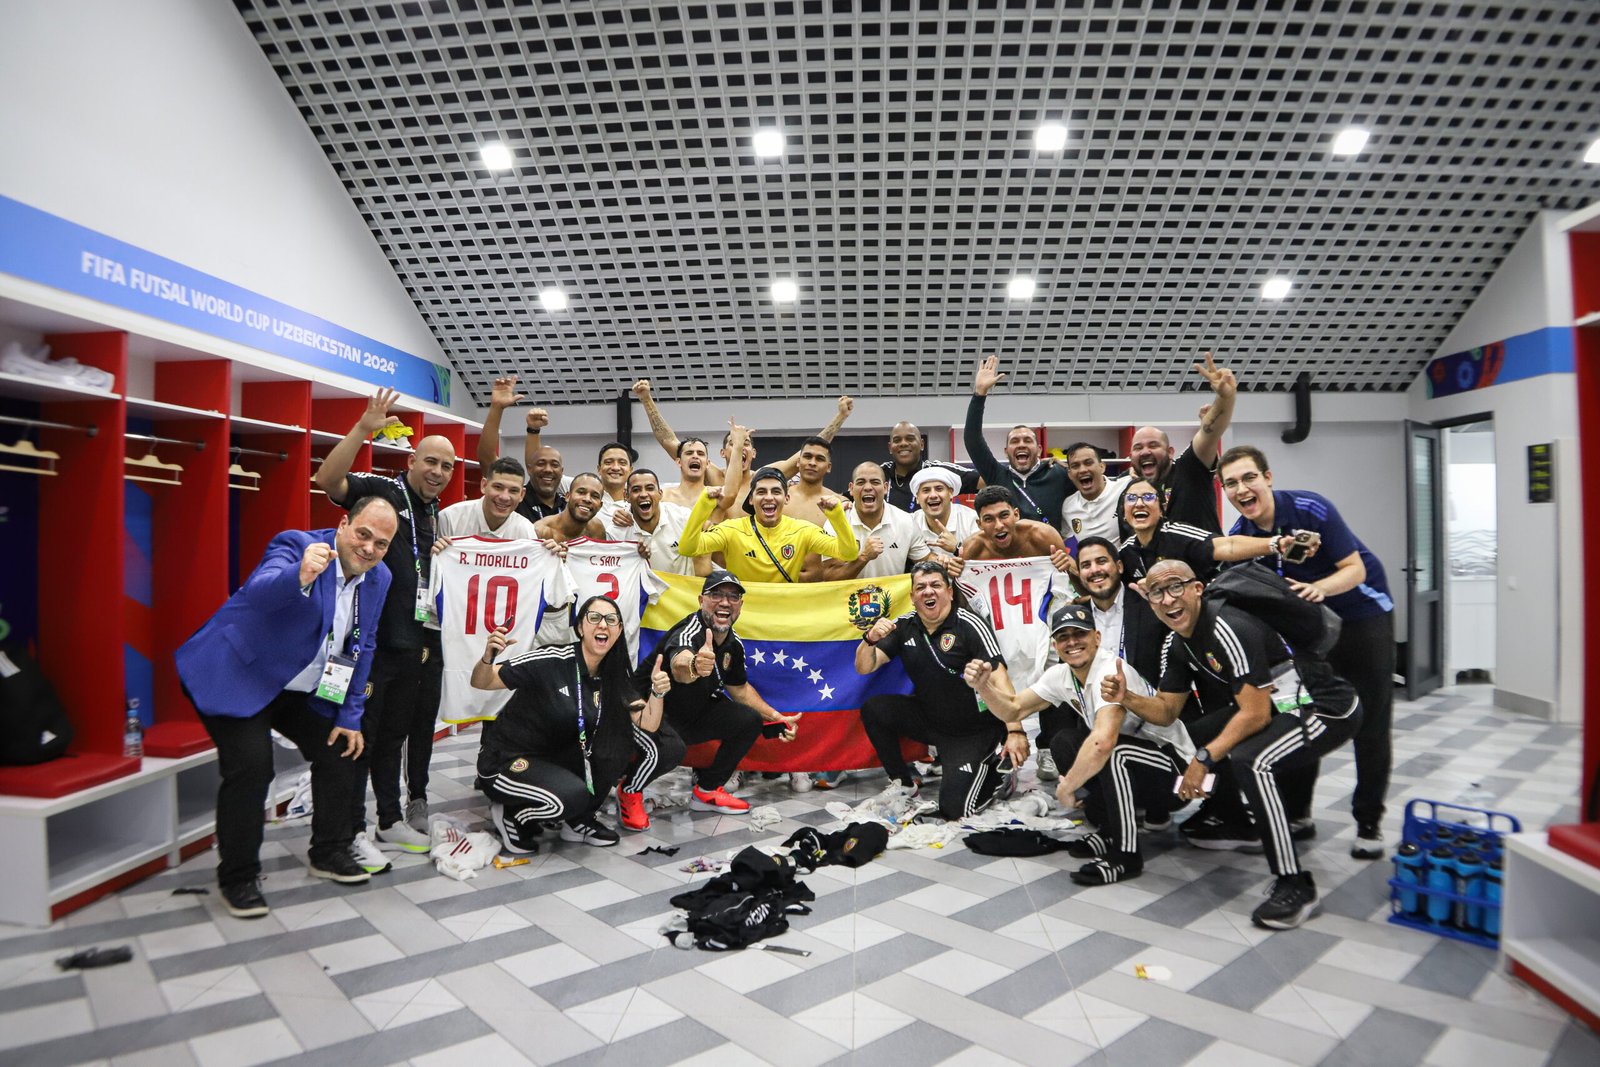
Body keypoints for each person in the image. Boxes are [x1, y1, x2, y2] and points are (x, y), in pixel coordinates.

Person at [175, 498, 399, 917]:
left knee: (340, 746)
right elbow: (258, 592)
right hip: (236, 673)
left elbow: (363, 646)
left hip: (297, 686)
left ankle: (329, 851)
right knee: (252, 768)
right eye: (363, 534)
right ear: (344, 523)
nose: (369, 548)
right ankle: (238, 877)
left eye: (382, 543)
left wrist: (350, 716)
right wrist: (300, 574)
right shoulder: (297, 545)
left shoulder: (379, 578)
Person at [1132, 560, 1362, 929]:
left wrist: (1203, 760)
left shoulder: (1226, 627)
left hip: (1327, 706)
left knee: (1253, 762)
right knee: (1199, 734)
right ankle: (1238, 823)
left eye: (1176, 586)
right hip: (1280, 704)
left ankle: (1295, 884)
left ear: (1197, 589)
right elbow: (1166, 711)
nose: (1167, 598)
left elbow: (1254, 716)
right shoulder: (1177, 642)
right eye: (1156, 592)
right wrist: (1125, 697)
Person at [1220, 444, 1397, 859]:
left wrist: (1321, 590)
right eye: (1231, 483)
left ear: (1268, 478)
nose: (1241, 489)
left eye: (1248, 478)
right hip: (1310, 633)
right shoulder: (1243, 537)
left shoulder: (1310, 508)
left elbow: (1354, 569)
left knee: (1370, 723)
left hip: (1361, 616)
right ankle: (1298, 814)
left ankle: (1368, 823)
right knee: (1300, 717)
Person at [313, 389, 452, 871]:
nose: (437, 472)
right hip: (368, 646)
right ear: (412, 460)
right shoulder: (383, 493)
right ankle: (348, 830)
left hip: (414, 648)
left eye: (446, 467)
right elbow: (326, 479)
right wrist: (362, 430)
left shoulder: (435, 515)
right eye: (430, 462)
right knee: (358, 739)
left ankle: (388, 819)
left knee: (393, 737)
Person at [973, 603, 1195, 885]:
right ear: (1056, 644)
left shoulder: (1109, 672)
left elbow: (1103, 742)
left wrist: (1066, 786)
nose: (1072, 642)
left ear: (1097, 637)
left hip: (1179, 775)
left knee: (1113, 753)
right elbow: (1013, 710)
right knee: (1065, 742)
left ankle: (1125, 856)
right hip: (1142, 767)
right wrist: (983, 687)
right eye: (1063, 637)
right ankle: (1110, 829)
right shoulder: (1062, 675)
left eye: (1079, 634)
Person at [470, 595, 671, 851]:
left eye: (611, 620)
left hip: (554, 758)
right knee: (570, 797)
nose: (603, 625)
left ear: (619, 630)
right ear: (580, 627)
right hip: (508, 759)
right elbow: (482, 682)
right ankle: (513, 815)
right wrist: (488, 657)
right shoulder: (552, 659)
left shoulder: (614, 673)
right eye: (594, 618)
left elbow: (648, 723)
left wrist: (658, 692)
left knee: (617, 744)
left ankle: (577, 822)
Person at [622, 570, 800, 826]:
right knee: (673, 748)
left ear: (740, 605)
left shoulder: (732, 643)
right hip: (646, 715)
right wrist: (694, 665)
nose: (725, 602)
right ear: (700, 600)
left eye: (733, 596)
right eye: (716, 594)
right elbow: (679, 667)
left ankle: (707, 791)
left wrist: (775, 716)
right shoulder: (689, 632)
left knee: (748, 720)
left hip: (689, 715)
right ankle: (629, 791)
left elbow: (739, 690)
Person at [855, 561, 1025, 820]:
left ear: (950, 592)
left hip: (974, 730)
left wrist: (1015, 730)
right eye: (920, 587)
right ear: (912, 597)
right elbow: (865, 667)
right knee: (874, 708)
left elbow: (1000, 676)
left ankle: (999, 774)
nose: (928, 592)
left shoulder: (969, 624)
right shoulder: (904, 626)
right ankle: (904, 784)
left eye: (935, 585)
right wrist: (869, 640)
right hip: (932, 721)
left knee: (956, 810)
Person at [677, 465, 858, 584]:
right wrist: (703, 505)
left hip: (782, 622)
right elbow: (687, 548)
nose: (769, 497)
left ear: (786, 498)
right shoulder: (731, 529)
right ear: (751, 500)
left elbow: (848, 553)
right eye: (761, 492)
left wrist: (836, 516)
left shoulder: (803, 530)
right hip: (742, 619)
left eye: (776, 491)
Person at [1116, 478, 1313, 585]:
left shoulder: (1177, 534)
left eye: (1148, 497)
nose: (1139, 503)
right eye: (1131, 498)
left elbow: (1228, 545)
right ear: (1123, 511)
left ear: (1162, 507)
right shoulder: (1126, 552)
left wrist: (1276, 543)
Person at [1126, 352, 1239, 532]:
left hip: (1205, 559)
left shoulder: (1189, 469)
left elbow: (1210, 432)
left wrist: (1225, 398)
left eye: (1153, 445)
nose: (1145, 451)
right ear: (1131, 457)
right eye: (1138, 448)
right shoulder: (1133, 494)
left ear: (1170, 452)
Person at [964, 355, 1075, 527]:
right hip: (1010, 550)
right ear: (1006, 451)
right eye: (1014, 441)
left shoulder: (1058, 474)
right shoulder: (997, 475)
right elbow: (973, 441)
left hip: (1051, 552)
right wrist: (979, 394)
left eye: (1027, 440)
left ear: (1039, 450)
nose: (1021, 444)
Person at [815, 462, 936, 580]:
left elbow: (927, 562)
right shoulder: (836, 522)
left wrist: (949, 557)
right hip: (849, 600)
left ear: (885, 488)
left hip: (891, 600)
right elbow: (829, 576)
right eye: (861, 482)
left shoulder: (906, 521)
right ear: (851, 489)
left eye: (875, 482)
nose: (868, 487)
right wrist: (863, 558)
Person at [472, 377, 569, 522]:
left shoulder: (569, 506)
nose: (548, 469)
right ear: (529, 469)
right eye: (541, 464)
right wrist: (496, 408)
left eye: (554, 465)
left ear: (562, 472)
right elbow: (487, 457)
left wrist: (534, 430)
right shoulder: (516, 498)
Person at [605, 467, 708, 577]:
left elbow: (708, 527)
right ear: (627, 496)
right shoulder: (615, 532)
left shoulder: (683, 518)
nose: (643, 494)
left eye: (650, 488)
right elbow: (615, 574)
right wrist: (634, 557)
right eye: (636, 490)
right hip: (639, 594)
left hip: (679, 593)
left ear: (660, 494)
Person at [881, 421, 979, 512]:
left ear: (922, 444)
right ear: (890, 447)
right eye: (897, 440)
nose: (903, 443)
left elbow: (988, 479)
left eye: (910, 439)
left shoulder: (938, 471)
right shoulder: (879, 474)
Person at [435, 457, 539, 542]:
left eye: (513, 491)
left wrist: (551, 555)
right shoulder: (449, 519)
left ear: (521, 495)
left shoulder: (526, 531)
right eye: (498, 487)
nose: (504, 497)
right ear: (484, 485)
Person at [1060, 443, 1129, 544]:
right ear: (1070, 474)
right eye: (1075, 466)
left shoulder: (1126, 488)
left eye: (1088, 463)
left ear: (1102, 467)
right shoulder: (1068, 506)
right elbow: (1064, 537)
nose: (1082, 470)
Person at [910, 467, 979, 553]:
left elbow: (985, 560)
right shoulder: (909, 523)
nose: (933, 495)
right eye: (926, 490)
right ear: (917, 497)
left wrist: (957, 548)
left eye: (939, 489)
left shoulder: (972, 520)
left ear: (950, 493)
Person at [533, 472, 608, 543]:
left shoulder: (597, 529)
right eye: (581, 492)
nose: (587, 499)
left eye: (595, 496)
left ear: (600, 506)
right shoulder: (541, 531)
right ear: (567, 496)